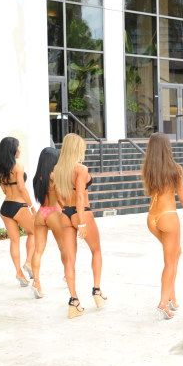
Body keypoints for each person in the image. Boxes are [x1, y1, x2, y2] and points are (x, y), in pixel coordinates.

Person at [142, 133, 183, 319]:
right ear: (167, 148)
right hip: (168, 217)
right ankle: (163, 303)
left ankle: (172, 297)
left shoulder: (149, 169)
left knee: (176, 253)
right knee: (170, 262)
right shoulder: (175, 169)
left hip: (152, 218)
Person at [52, 133, 105, 318]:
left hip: (65, 214)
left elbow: (57, 196)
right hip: (81, 213)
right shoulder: (80, 169)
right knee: (96, 251)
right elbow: (81, 196)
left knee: (69, 260)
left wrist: (64, 208)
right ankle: (97, 291)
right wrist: (81, 222)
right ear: (77, 148)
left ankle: (74, 301)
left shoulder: (57, 170)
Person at [29, 147, 77, 300]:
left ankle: (36, 282)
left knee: (38, 251)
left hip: (41, 213)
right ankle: (67, 275)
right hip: (54, 212)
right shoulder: (55, 176)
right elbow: (62, 198)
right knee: (64, 247)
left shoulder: (38, 178)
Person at [0, 137, 36, 288]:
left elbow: (4, 190)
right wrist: (31, 206)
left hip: (5, 207)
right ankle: (28, 263)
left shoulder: (0, 169)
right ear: (12, 149)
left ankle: (19, 273)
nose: (20, 149)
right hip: (19, 205)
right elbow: (22, 188)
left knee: (14, 241)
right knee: (34, 232)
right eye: (18, 147)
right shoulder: (18, 165)